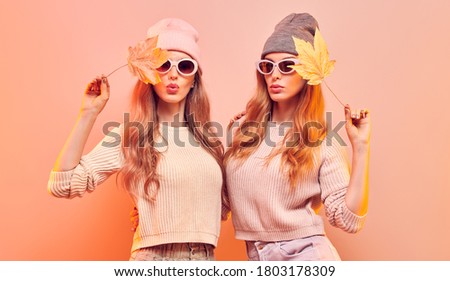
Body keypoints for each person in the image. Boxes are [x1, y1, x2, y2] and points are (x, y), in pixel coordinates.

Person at [47, 18, 226, 261]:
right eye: (163, 65)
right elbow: (63, 185)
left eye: (184, 66)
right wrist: (87, 114)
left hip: (205, 259)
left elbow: (223, 205)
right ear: (149, 75)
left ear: (194, 79)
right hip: (154, 259)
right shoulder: (132, 135)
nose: (173, 74)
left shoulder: (209, 142)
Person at [223, 13, 371, 261]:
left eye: (287, 66)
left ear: (307, 74)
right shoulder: (243, 133)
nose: (275, 75)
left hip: (307, 258)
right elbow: (220, 202)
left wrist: (362, 147)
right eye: (267, 66)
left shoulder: (322, 139)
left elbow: (349, 220)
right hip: (256, 258)